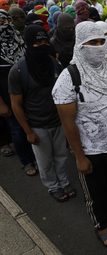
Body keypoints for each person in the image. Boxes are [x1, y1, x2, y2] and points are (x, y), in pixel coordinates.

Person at [52, 21, 107, 250]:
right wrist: (79, 156)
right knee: (95, 192)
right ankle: (101, 225)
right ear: (80, 45)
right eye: (92, 43)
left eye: (101, 42)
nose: (99, 47)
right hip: (91, 149)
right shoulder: (69, 78)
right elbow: (68, 122)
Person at [9, 24, 75, 202]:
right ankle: (53, 186)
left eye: (46, 41)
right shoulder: (18, 71)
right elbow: (16, 105)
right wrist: (28, 132)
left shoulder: (54, 64)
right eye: (37, 43)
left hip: (58, 121)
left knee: (61, 156)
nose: (43, 45)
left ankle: (63, 181)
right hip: (37, 125)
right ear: (28, 44)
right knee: (45, 161)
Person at [0, 9, 38, 176]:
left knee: (30, 127)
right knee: (17, 130)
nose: (5, 26)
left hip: (27, 94)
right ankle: (26, 160)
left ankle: (35, 156)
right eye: (1, 23)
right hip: (7, 97)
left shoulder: (19, 40)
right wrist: (0, 103)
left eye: (7, 21)